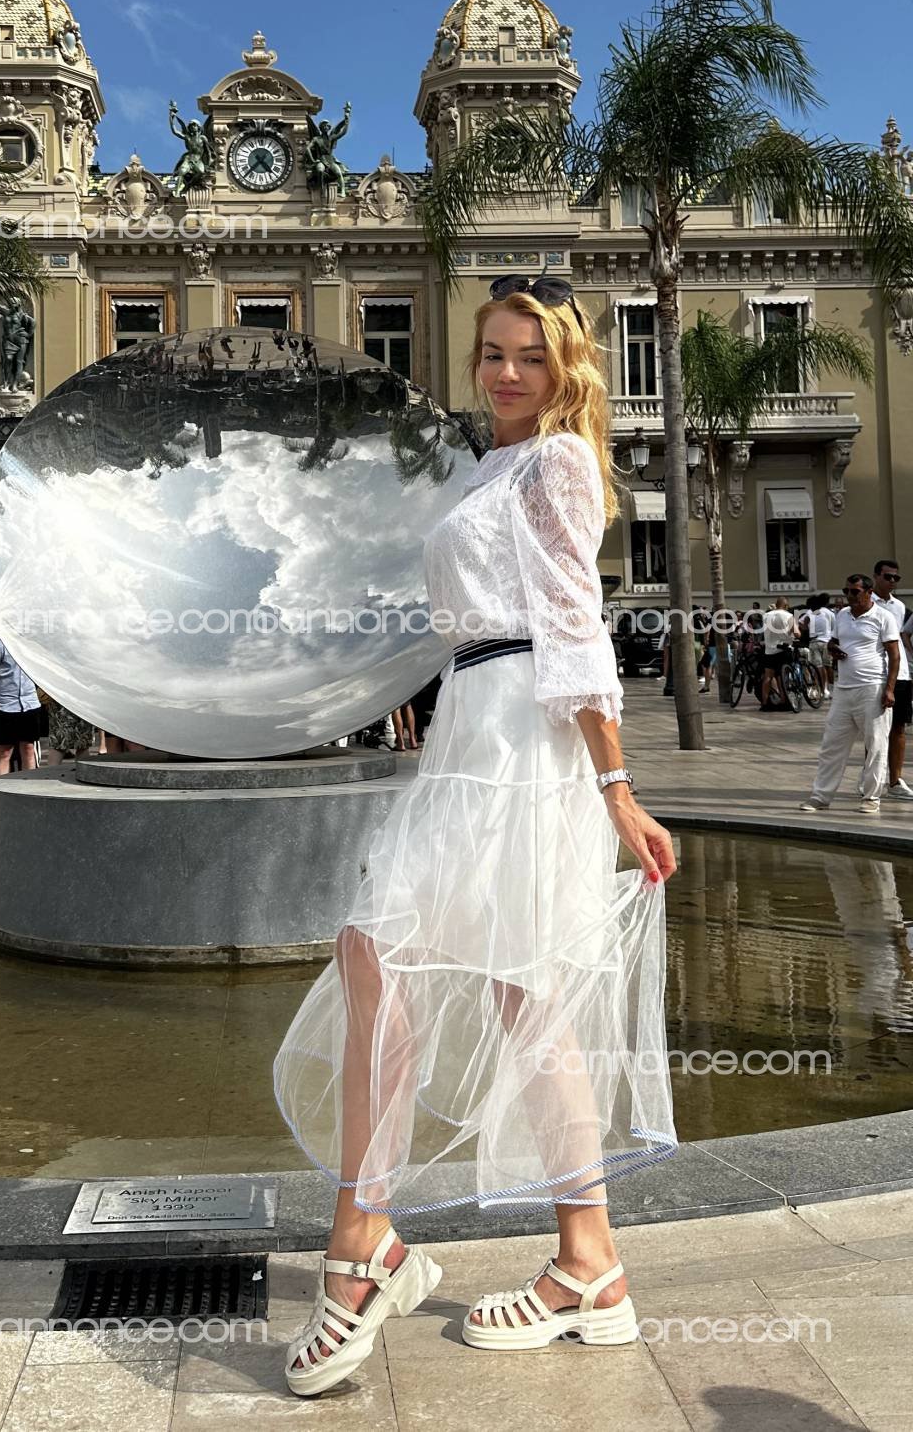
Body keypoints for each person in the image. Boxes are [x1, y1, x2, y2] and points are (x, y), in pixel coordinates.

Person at [273, 275, 678, 1395]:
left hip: (523, 735)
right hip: (470, 720)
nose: (506, 372)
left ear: (567, 369)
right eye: (493, 352)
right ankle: (577, 1261)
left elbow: (574, 626)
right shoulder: (488, 464)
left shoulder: (556, 463)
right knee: (448, 973)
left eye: (531, 357)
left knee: (443, 968)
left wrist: (617, 787)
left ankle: (374, 1248)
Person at [800, 574, 900, 816]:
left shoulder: (883, 617)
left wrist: (889, 689)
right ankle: (821, 796)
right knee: (832, 745)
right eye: (846, 591)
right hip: (844, 690)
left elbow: (894, 655)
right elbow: (833, 642)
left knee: (876, 744)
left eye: (855, 591)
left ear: (868, 592)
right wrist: (832, 649)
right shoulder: (842, 615)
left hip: (872, 688)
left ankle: (871, 797)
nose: (849, 596)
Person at [871, 560, 912, 800]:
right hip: (877, 673)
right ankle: (870, 779)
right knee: (874, 731)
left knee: (899, 727)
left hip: (901, 673)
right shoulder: (866, 603)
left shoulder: (899, 606)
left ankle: (895, 781)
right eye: (888, 577)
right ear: (876, 576)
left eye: (896, 578)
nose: (892, 582)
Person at [0, 636, 46, 776]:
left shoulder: (31, 645)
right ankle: (1, 787)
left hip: (30, 704)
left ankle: (29, 786)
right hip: (6, 705)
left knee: (28, 748)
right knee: (4, 752)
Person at [760, 596, 799, 709]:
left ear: (776, 605)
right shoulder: (788, 615)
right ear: (786, 606)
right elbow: (797, 633)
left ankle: (764, 703)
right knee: (782, 676)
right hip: (783, 650)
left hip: (769, 650)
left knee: (768, 676)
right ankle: (784, 701)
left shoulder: (766, 616)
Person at [805, 593, 834, 702]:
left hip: (814, 641)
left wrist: (808, 630)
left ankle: (822, 690)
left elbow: (802, 623)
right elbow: (834, 627)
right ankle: (829, 690)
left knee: (818, 667)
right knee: (828, 666)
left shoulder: (810, 612)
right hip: (827, 641)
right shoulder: (829, 612)